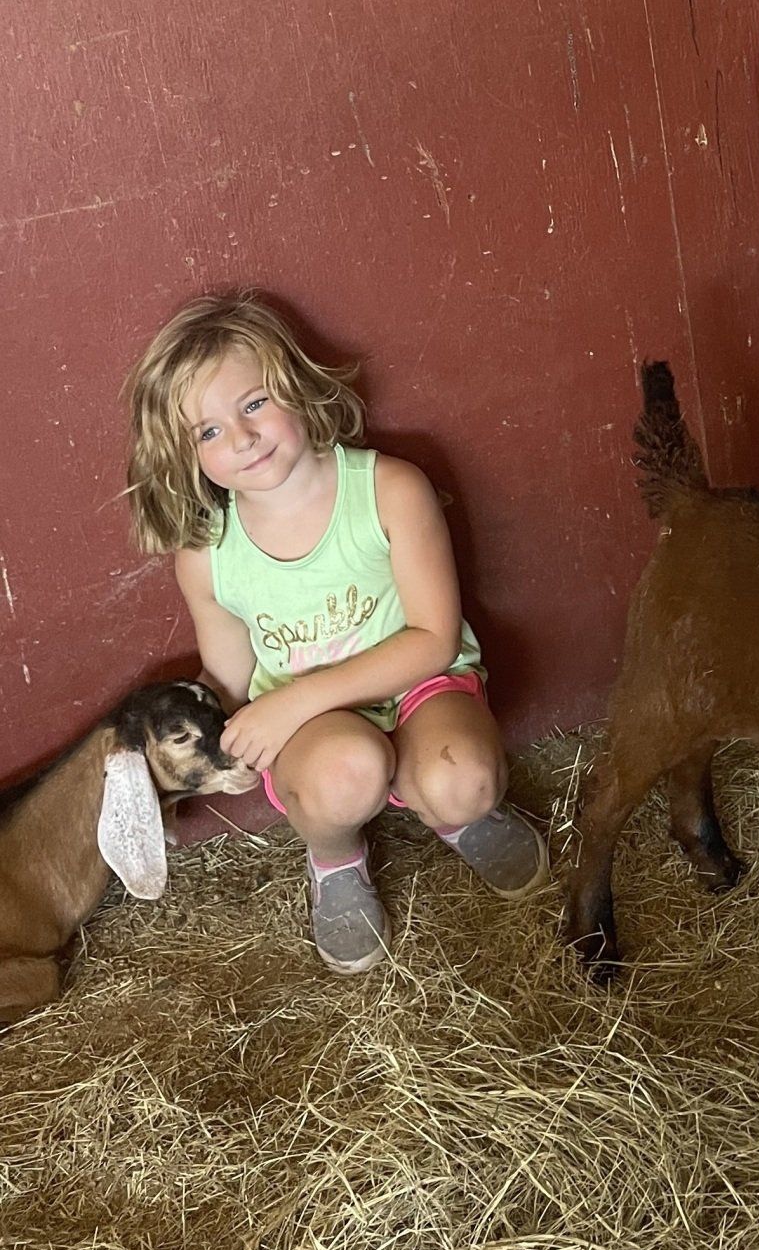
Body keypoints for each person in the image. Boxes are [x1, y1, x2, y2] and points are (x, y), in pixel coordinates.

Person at [126, 296, 546, 974]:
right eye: (207, 431)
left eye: (254, 403)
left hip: (419, 686)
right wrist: (178, 754)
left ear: (294, 385)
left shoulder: (389, 490)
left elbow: (433, 639)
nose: (241, 438)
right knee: (345, 773)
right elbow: (228, 679)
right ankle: (335, 859)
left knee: (464, 780)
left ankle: (453, 813)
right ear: (185, 455)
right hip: (315, 737)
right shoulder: (207, 554)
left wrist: (293, 700)